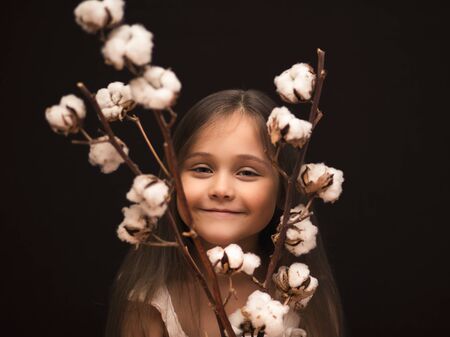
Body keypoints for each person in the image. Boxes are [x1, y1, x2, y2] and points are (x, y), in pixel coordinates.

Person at [105, 89, 345, 337]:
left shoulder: (305, 302)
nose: (221, 190)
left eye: (247, 172)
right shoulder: (148, 307)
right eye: (202, 169)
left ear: (284, 190)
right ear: (172, 182)